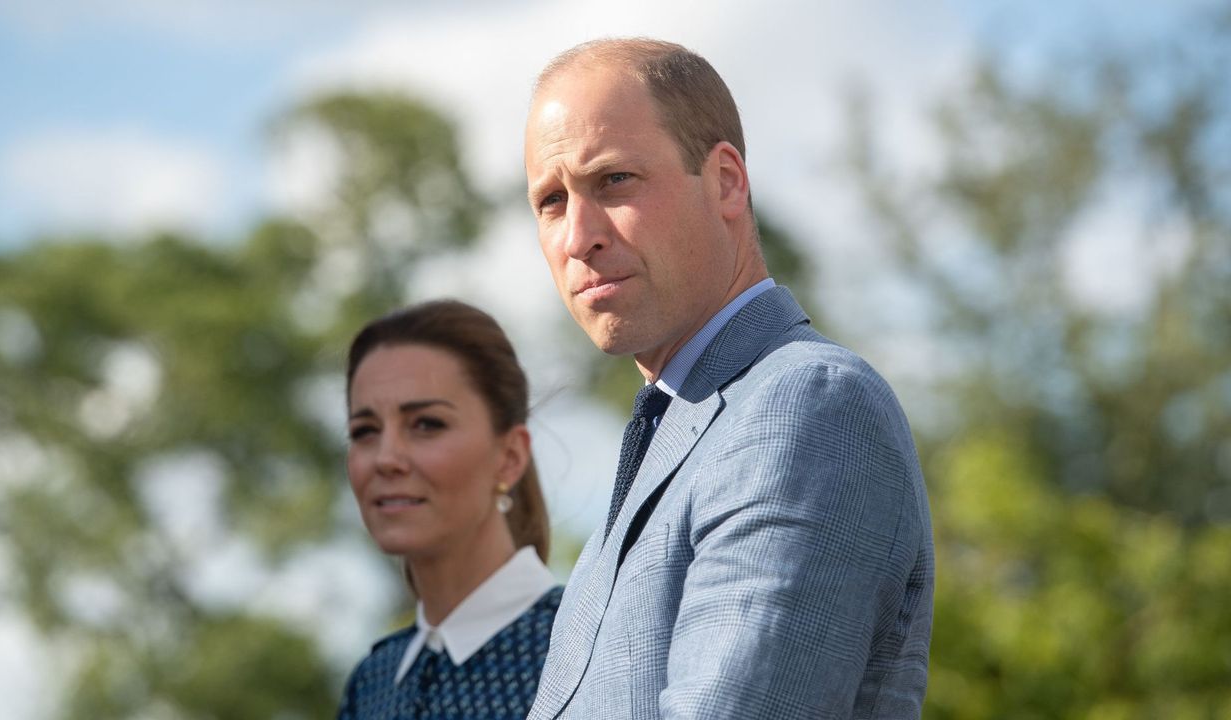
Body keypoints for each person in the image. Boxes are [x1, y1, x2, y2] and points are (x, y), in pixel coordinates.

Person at [523, 38, 934, 719]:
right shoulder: (672, 437)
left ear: (726, 182)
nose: (578, 236)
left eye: (614, 181)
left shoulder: (805, 407)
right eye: (551, 202)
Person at [337, 300, 562, 719]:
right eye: (364, 431)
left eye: (427, 424)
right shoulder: (371, 684)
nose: (386, 458)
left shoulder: (583, 648)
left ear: (510, 456)